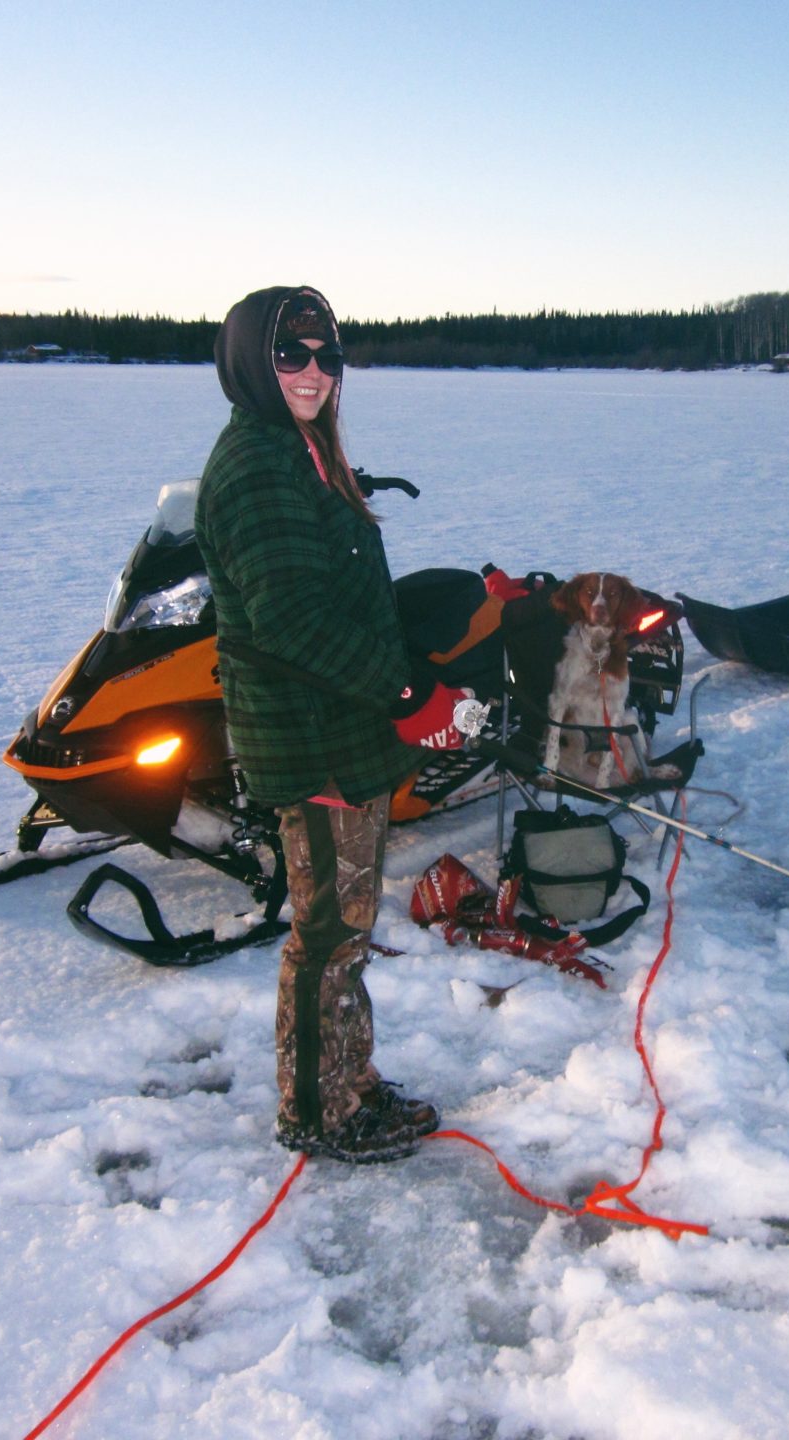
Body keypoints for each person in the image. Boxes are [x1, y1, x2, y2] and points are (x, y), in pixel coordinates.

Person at [195, 285, 470, 1163]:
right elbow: (292, 623)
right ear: (250, 362)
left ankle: (347, 1081)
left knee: (345, 926)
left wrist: (411, 684)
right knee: (326, 935)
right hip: (308, 736)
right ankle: (318, 1110)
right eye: (292, 356)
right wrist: (406, 699)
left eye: (328, 357)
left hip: (338, 726)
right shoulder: (257, 468)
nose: (314, 374)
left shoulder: (301, 449)